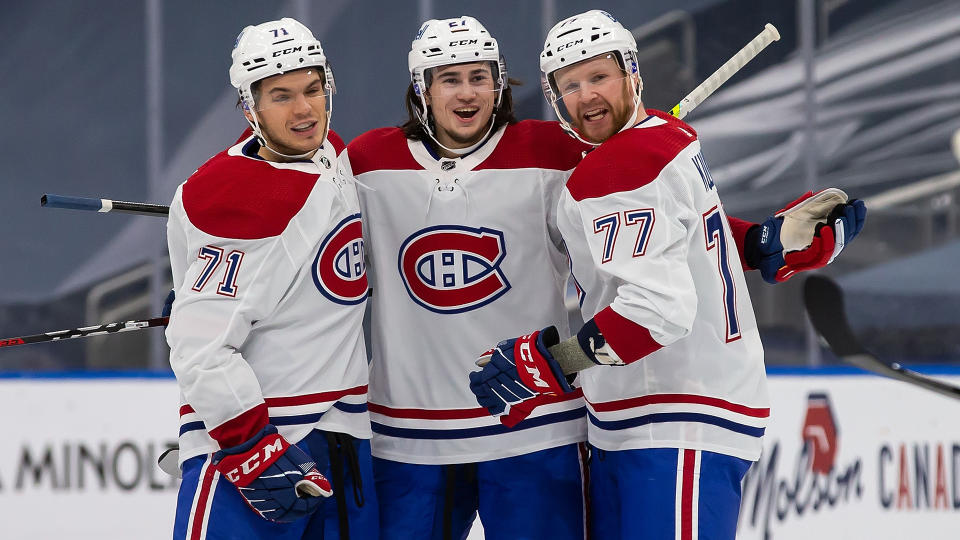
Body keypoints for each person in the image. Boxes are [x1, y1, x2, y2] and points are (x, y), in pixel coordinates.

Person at [469, 9, 866, 540]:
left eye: (599, 76)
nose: (587, 96)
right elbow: (690, 236)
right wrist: (761, 242)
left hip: (671, 417)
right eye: (571, 85)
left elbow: (657, 311)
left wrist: (552, 363)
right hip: (665, 415)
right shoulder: (661, 137)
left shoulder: (620, 167)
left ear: (632, 72)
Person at [344, 16, 591, 540]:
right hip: (410, 434)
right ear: (422, 89)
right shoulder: (368, 162)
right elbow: (311, 248)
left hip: (533, 426)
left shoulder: (552, 152)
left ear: (498, 83)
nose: (467, 92)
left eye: (479, 77)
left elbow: (639, 218)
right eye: (449, 79)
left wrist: (751, 242)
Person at [165, 18, 377, 540]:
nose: (304, 109)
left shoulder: (330, 157)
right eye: (281, 96)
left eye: (312, 89)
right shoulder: (235, 202)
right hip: (262, 443)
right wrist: (249, 445)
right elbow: (200, 351)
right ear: (250, 108)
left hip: (343, 436)